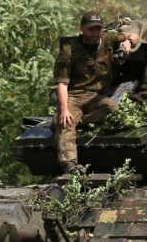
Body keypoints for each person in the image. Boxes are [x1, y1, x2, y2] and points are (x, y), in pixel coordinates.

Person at [52, 10, 141, 174]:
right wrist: (64, 109)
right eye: (90, 29)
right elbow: (62, 84)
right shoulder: (69, 50)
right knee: (65, 122)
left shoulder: (107, 39)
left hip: (96, 97)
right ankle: (70, 164)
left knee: (112, 108)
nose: (94, 33)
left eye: (98, 29)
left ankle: (80, 119)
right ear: (82, 28)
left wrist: (128, 42)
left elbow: (135, 34)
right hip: (73, 95)